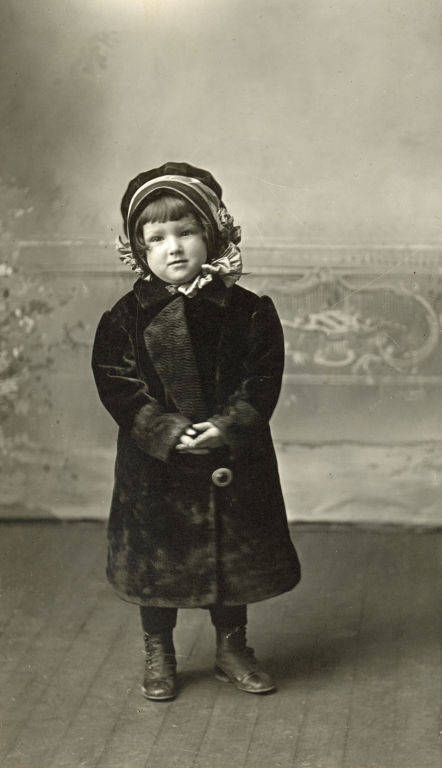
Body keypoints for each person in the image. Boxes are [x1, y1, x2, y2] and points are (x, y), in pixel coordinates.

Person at [91, 161, 301, 701]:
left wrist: (229, 427)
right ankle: (158, 649)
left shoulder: (249, 311)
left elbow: (262, 377)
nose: (174, 248)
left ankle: (232, 646)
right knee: (157, 560)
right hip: (157, 463)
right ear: (139, 250)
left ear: (214, 234)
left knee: (230, 557)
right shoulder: (124, 319)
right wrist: (164, 431)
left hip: (229, 455)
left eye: (186, 232)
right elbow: (118, 384)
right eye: (157, 237)